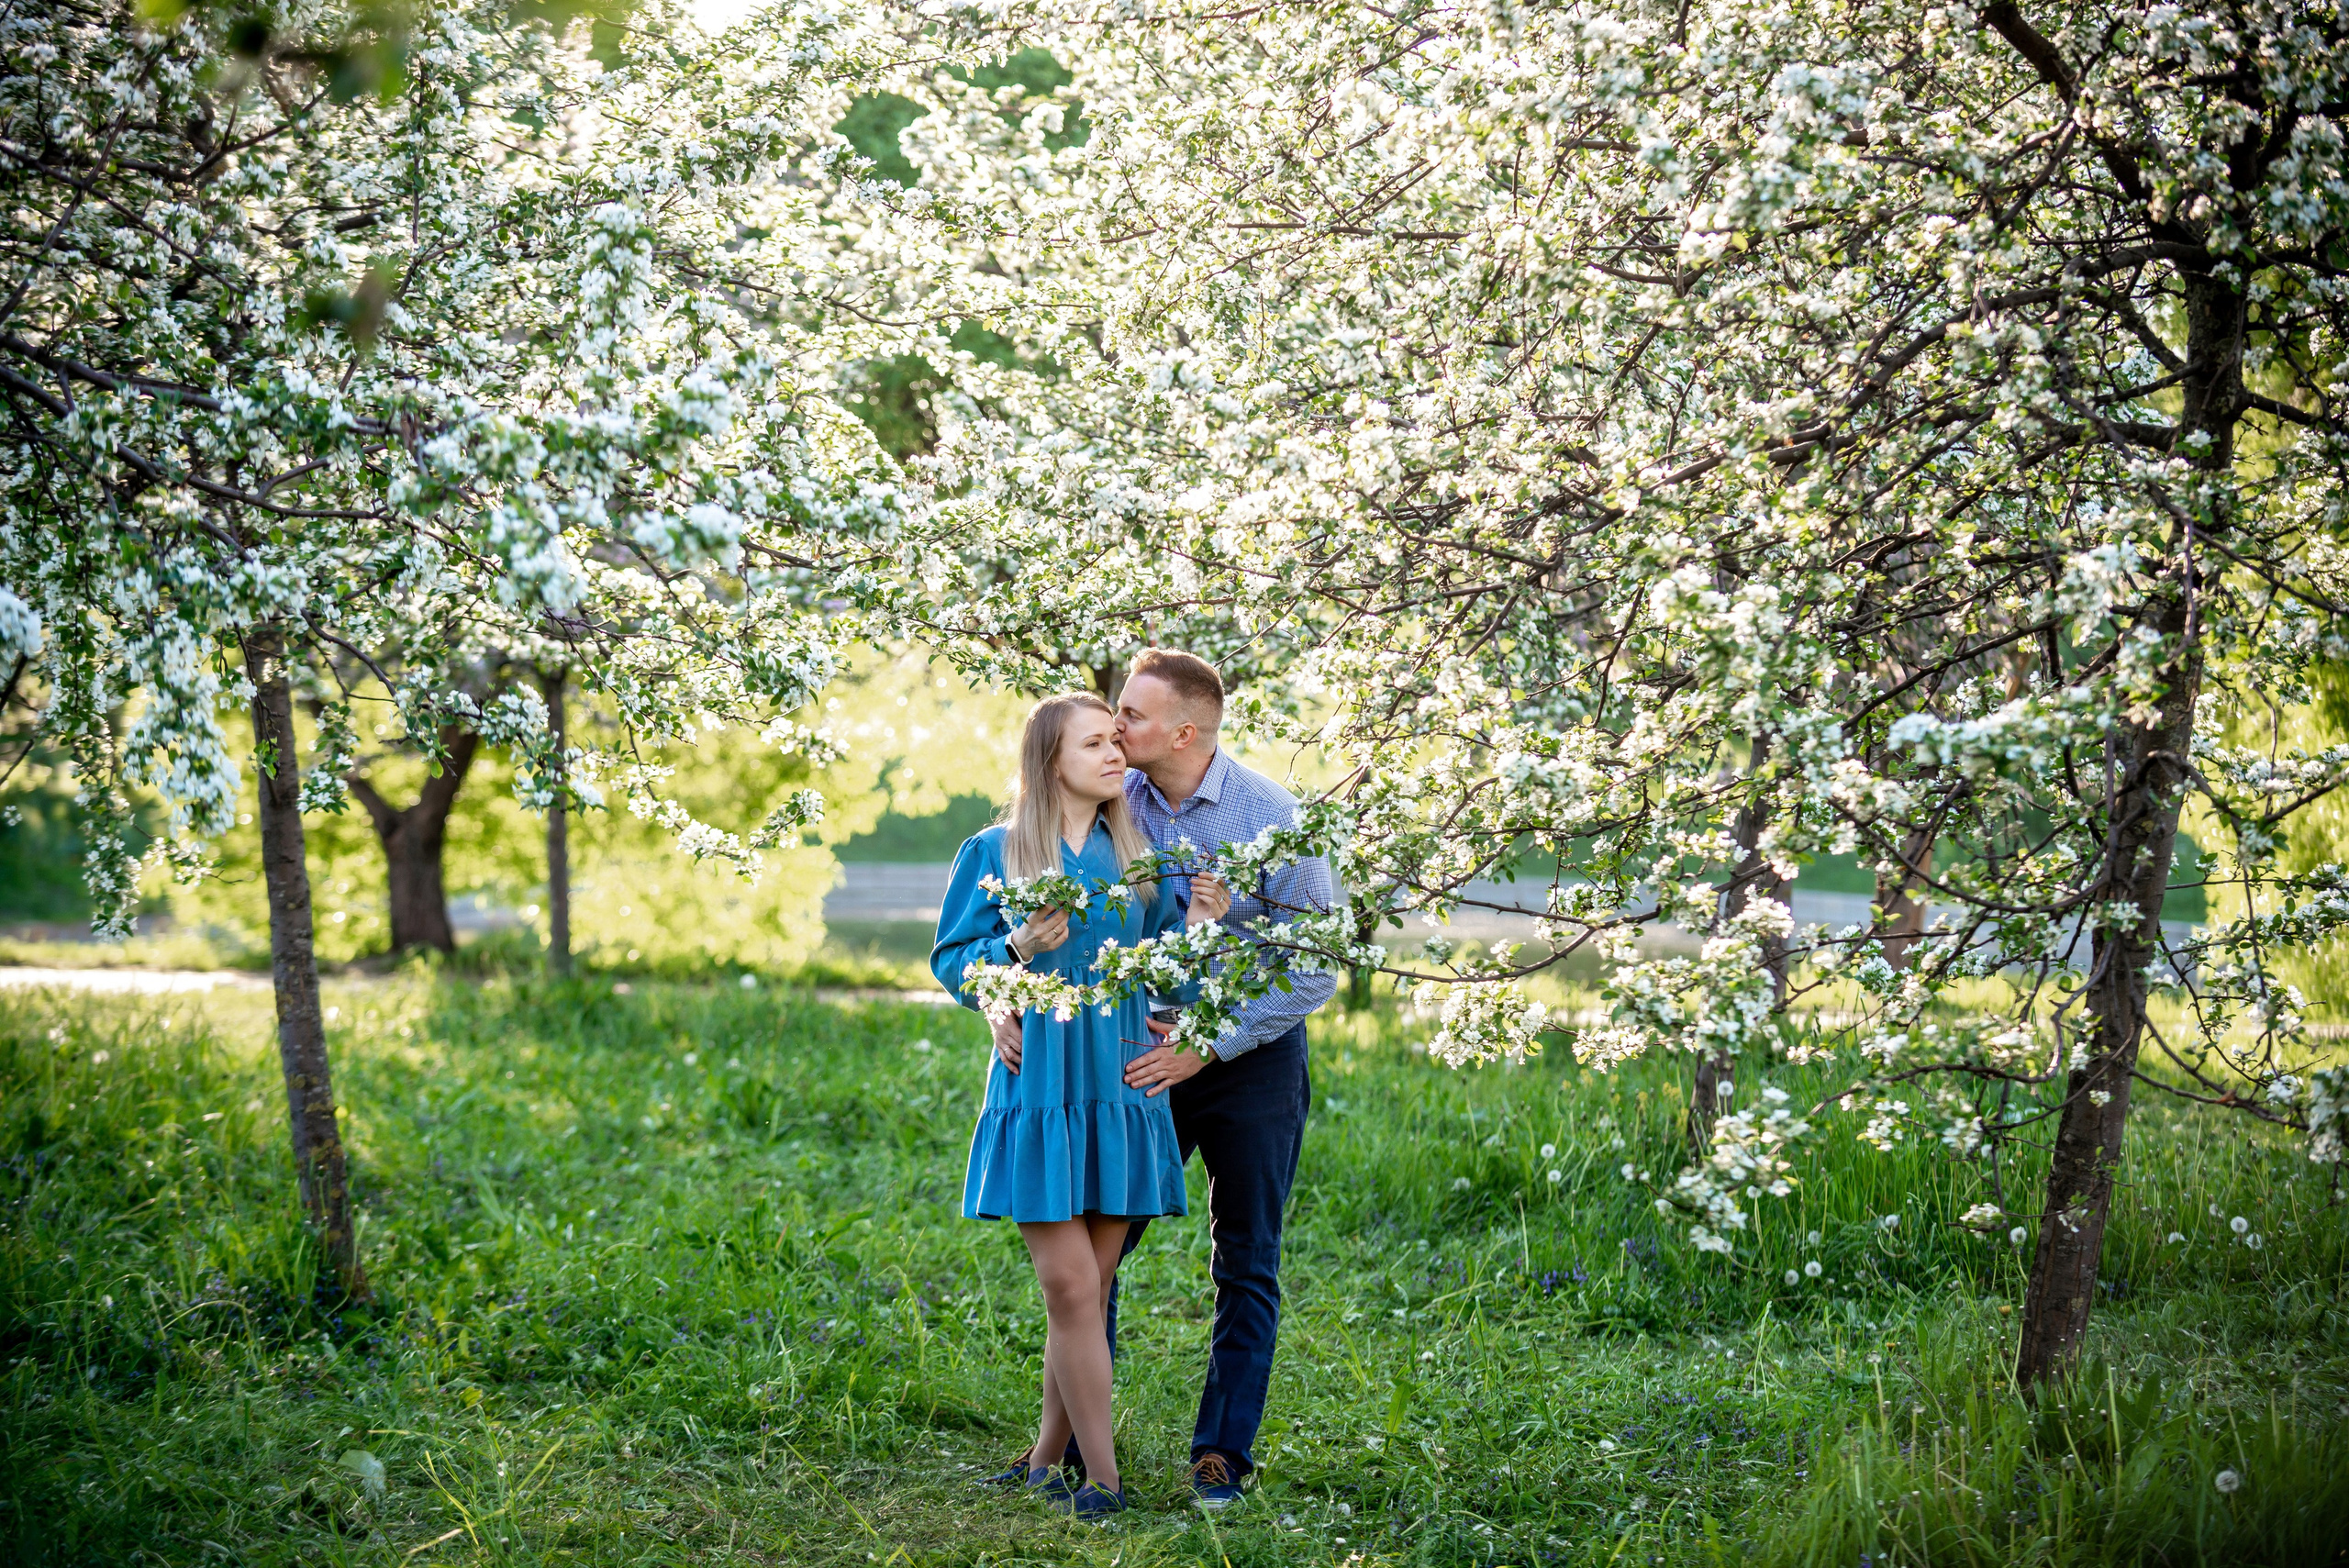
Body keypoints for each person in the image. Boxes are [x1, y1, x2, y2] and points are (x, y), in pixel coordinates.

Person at [989, 650, 1336, 1510]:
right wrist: (1003, 997)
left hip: (1248, 1056)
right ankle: (1069, 1452)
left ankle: (1221, 1455)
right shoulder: (1115, 796)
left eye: (1133, 716)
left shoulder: (1272, 817)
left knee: (1246, 1255)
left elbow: (1314, 967)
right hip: (1131, 1052)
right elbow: (1033, 917)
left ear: (1184, 732)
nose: (1117, 727)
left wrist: (1208, 1043)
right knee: (1095, 1253)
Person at [931, 691, 1230, 1520]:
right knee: (1069, 1288)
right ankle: (1104, 1479)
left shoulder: (1138, 860)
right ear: (1049, 759)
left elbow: (1173, 985)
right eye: (1093, 743)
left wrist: (1200, 926)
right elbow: (954, 961)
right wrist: (1016, 948)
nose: (1114, 754)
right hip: (1040, 1084)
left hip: (1121, 1084)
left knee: (1088, 1293)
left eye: (1114, 741)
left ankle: (1044, 1463)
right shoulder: (993, 851)